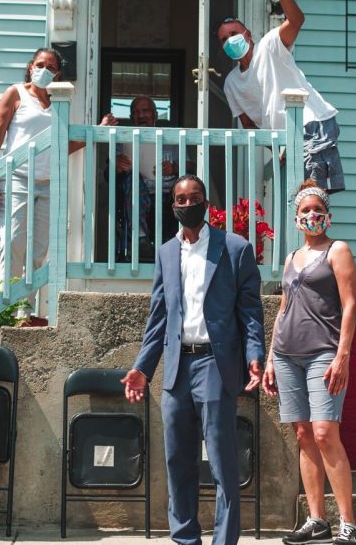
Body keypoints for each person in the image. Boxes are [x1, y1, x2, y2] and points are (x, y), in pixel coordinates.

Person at [122, 175, 265, 545]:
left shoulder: (235, 248)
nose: (187, 205)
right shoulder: (168, 252)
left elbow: (250, 313)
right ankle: (185, 539)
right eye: (180, 199)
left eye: (194, 198)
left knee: (221, 462)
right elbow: (158, 316)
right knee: (178, 462)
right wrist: (142, 367)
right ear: (173, 206)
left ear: (205, 202)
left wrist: (254, 356)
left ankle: (223, 541)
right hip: (176, 369)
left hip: (215, 366)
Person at [263, 180, 356, 545]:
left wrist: (343, 355)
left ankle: (348, 523)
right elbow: (284, 309)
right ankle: (316, 520)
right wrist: (272, 358)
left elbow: (350, 304)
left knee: (324, 433)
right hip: (288, 354)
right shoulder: (291, 257)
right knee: (303, 436)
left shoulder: (338, 250)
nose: (312, 216)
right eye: (305, 211)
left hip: (324, 352)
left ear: (328, 217)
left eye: (317, 210)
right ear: (296, 218)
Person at [216, 0, 344, 194]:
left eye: (233, 34)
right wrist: (274, 149)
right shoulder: (232, 83)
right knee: (300, 199)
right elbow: (248, 125)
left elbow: (296, 20)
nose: (230, 41)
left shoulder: (270, 44)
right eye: (224, 39)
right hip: (286, 140)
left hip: (310, 123)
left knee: (313, 196)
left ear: (248, 35)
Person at [0, 48, 63, 316]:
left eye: (51, 67)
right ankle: (4, 309)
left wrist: (95, 129)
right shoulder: (16, 93)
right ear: (31, 67)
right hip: (16, 179)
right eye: (40, 65)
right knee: (14, 242)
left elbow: (65, 144)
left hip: (48, 182)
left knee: (39, 251)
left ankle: (24, 312)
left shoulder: (59, 102)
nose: (45, 70)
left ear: (58, 73)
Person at [101, 95, 179, 262]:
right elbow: (107, 175)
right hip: (135, 192)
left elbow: (192, 166)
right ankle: (140, 238)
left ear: (155, 115)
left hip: (167, 194)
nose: (141, 115)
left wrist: (174, 168)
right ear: (131, 118)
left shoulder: (171, 137)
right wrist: (116, 165)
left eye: (145, 111)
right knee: (131, 178)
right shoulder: (123, 140)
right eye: (136, 112)